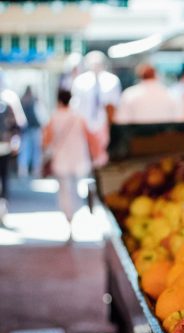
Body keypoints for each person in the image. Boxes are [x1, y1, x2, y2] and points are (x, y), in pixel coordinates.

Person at [43, 89, 94, 240]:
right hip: (79, 160)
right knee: (77, 189)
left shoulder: (54, 117)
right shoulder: (78, 117)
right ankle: (75, 216)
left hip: (62, 160)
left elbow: (46, 140)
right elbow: (90, 137)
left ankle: (69, 218)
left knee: (65, 191)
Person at [70, 50, 121, 168]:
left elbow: (115, 105)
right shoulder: (80, 82)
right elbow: (76, 106)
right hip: (85, 125)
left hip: (105, 126)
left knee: (103, 155)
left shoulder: (112, 81)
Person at [114, 64, 184, 124]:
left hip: (138, 138)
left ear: (139, 75)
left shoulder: (129, 94)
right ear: (156, 75)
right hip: (166, 137)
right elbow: (181, 119)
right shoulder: (172, 94)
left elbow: (121, 120)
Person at [0, 71, 26, 225]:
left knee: (4, 177)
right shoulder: (10, 98)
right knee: (4, 177)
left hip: (5, 146)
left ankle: (2, 208)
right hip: (5, 145)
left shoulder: (10, 98)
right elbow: (20, 123)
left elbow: (19, 123)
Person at [18, 86, 45, 178]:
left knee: (29, 150)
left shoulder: (23, 100)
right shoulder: (32, 100)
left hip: (29, 129)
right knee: (32, 150)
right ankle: (31, 169)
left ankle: (27, 169)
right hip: (31, 129)